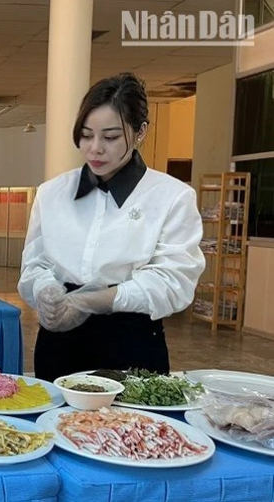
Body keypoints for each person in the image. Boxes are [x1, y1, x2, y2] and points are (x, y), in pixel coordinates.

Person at [17, 73, 205, 383]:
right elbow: (35, 266)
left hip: (131, 342)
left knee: (127, 430)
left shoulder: (171, 196)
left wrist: (91, 300)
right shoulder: (52, 193)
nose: (95, 148)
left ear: (140, 132)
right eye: (86, 135)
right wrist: (45, 291)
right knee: (54, 427)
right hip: (60, 341)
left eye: (111, 137)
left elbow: (173, 283)